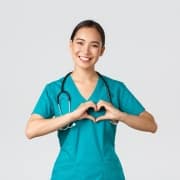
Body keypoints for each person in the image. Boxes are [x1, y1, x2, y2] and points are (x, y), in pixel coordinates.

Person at [25, 19, 157, 180]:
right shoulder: (54, 90)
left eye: (94, 45)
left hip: (108, 174)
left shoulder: (115, 89)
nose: (86, 51)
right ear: (71, 45)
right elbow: (31, 130)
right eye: (80, 43)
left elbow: (150, 124)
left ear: (102, 50)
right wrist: (71, 116)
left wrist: (120, 115)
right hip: (67, 174)